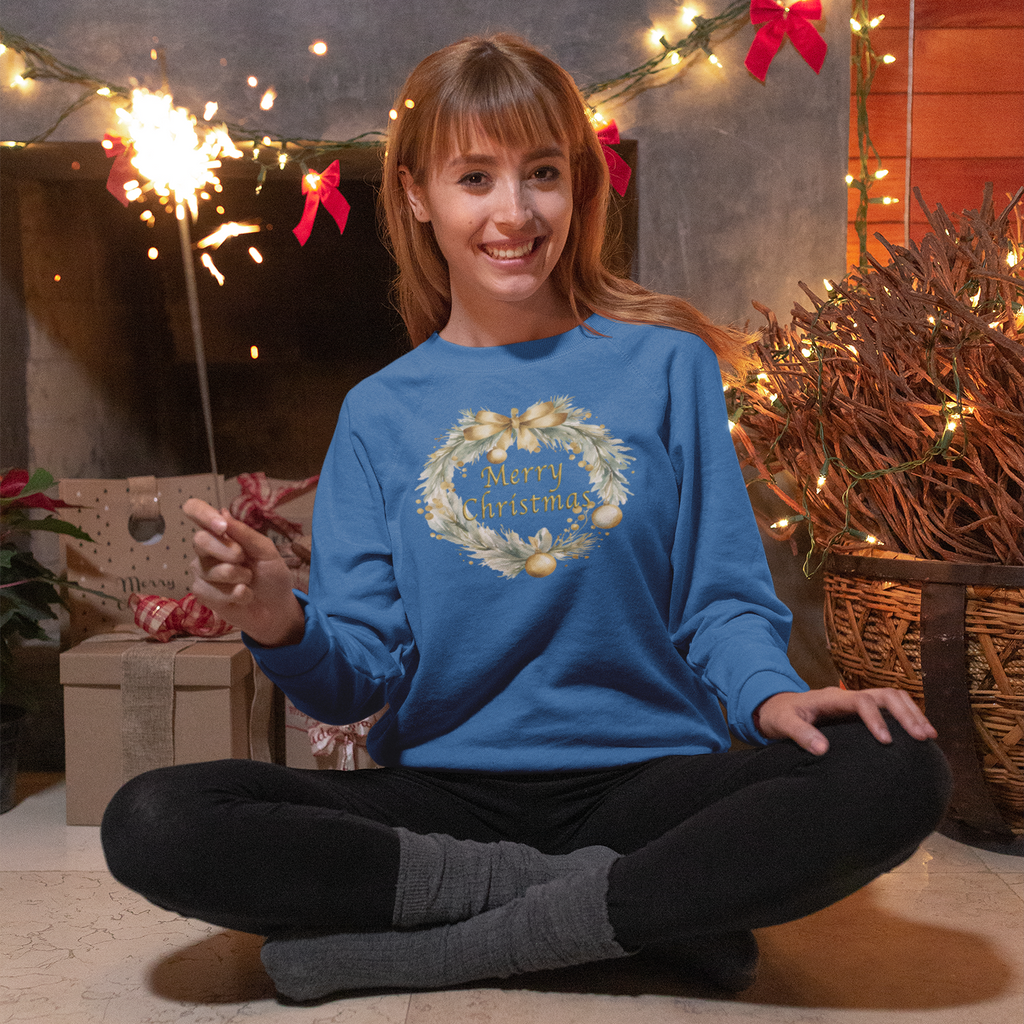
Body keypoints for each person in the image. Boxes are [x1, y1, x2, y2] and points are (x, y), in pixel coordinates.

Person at [101, 34, 950, 1003]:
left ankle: (446, 944)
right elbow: (356, 681)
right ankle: (636, 917)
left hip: (653, 787)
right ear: (419, 194)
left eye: (541, 174)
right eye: (476, 177)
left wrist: (768, 697)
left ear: (578, 186)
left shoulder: (666, 368)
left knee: (897, 769)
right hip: (445, 804)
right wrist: (278, 619)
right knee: (156, 817)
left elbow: (719, 599)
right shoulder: (379, 413)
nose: (515, 213)